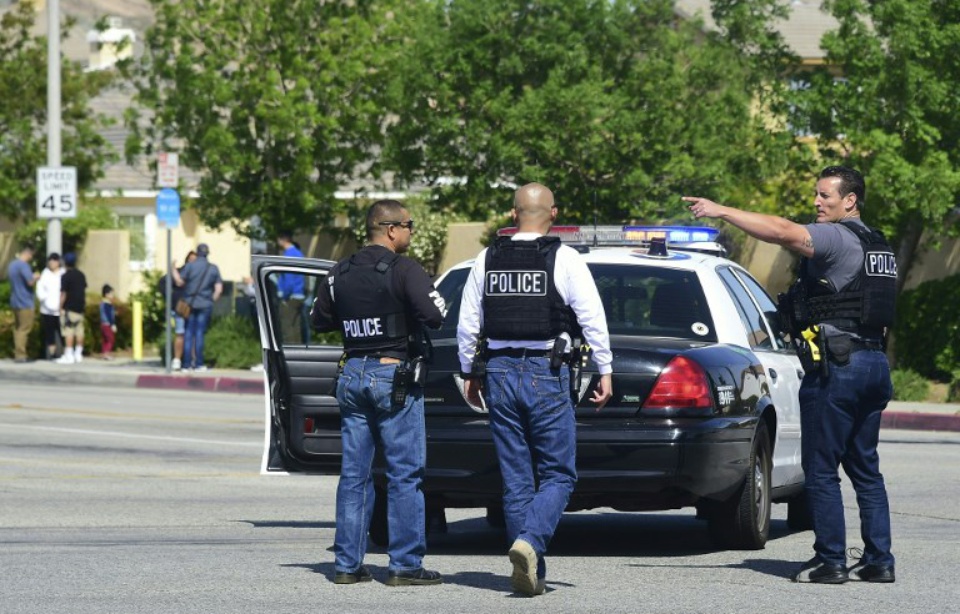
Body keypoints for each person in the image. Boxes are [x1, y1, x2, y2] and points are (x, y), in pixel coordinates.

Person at [683, 165, 897, 584]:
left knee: (819, 468)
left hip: (838, 368)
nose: (816, 203)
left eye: (825, 196)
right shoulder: (879, 245)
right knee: (866, 469)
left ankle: (831, 560)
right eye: (816, 195)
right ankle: (879, 560)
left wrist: (721, 210)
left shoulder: (837, 236)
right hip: (873, 364)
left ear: (849, 201)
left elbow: (783, 230)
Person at [456, 182, 614, 597]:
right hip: (547, 371)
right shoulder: (564, 258)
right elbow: (591, 316)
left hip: (500, 373)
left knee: (517, 479)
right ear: (554, 215)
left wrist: (468, 372)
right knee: (560, 473)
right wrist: (605, 368)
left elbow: (468, 321)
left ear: (513, 214)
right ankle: (530, 543)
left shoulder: (486, 258)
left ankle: (531, 572)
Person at [310, 199, 446, 586]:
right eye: (409, 225)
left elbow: (319, 319)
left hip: (352, 375)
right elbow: (436, 315)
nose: (411, 232)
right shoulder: (404, 270)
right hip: (392, 377)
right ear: (390, 229)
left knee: (355, 474)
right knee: (405, 472)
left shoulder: (339, 272)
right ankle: (404, 565)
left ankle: (347, 566)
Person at [174, 244, 222, 372]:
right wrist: (211, 299)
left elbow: (179, 282)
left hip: (190, 304)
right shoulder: (213, 268)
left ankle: (186, 364)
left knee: (188, 332)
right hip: (205, 304)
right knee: (200, 333)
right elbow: (218, 289)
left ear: (197, 253)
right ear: (207, 253)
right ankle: (199, 364)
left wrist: (173, 270)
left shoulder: (190, 266)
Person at [162, 250, 197, 371]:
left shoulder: (197, 274)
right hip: (181, 308)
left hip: (194, 307)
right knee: (180, 333)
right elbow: (169, 283)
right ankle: (177, 359)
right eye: (190, 259)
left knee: (192, 335)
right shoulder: (181, 271)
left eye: (194, 260)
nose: (192, 262)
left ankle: (193, 360)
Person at [7, 244, 39, 363]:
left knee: (18, 328)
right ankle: (20, 354)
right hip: (25, 301)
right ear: (27, 253)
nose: (31, 258)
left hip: (15, 300)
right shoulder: (24, 266)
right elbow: (30, 281)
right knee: (24, 328)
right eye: (31, 255)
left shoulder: (12, 265)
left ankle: (18, 353)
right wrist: (36, 276)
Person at [276, 231, 307, 343]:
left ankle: (289, 356)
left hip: (291, 296)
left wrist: (284, 296)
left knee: (287, 328)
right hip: (299, 294)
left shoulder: (288, 254)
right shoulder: (299, 253)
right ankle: (299, 356)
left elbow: (288, 279)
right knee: (296, 328)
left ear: (282, 240)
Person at [56, 252, 87, 364]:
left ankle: (69, 355)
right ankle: (78, 353)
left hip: (69, 308)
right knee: (79, 331)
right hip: (80, 307)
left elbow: (63, 293)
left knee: (69, 331)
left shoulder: (65, 276)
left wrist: (60, 307)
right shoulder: (81, 275)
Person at [36, 253, 64, 360]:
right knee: (49, 332)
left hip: (60, 309)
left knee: (62, 332)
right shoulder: (45, 274)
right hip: (47, 309)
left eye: (55, 261)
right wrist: (44, 300)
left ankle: (64, 352)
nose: (52, 263)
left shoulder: (63, 273)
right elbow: (40, 290)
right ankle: (51, 354)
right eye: (51, 261)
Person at [100, 284, 117, 360]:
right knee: (110, 339)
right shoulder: (107, 305)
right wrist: (113, 324)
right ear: (106, 294)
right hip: (107, 324)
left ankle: (104, 353)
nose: (113, 296)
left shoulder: (102, 304)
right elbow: (109, 316)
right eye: (111, 294)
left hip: (103, 324)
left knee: (105, 340)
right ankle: (107, 353)